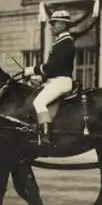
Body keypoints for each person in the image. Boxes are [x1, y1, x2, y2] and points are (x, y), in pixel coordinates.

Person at [23, 10, 75, 146]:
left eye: (55, 23)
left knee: (38, 102)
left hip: (62, 81)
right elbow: (54, 69)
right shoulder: (61, 42)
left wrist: (31, 69)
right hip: (56, 80)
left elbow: (54, 68)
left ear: (64, 25)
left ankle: (47, 137)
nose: (52, 26)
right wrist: (41, 77)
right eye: (51, 23)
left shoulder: (65, 43)